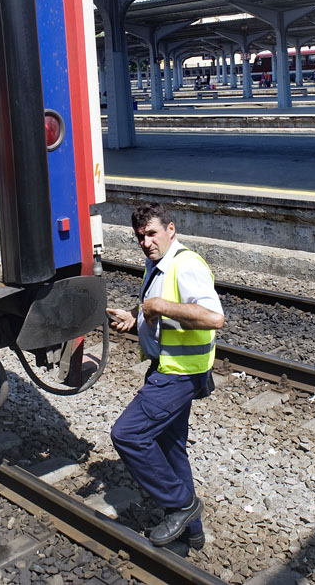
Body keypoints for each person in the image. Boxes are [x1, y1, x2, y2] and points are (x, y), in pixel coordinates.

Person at [107, 203, 225, 551]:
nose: (145, 242)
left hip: (179, 374)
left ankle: (182, 506)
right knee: (171, 450)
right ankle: (191, 533)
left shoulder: (185, 265)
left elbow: (214, 316)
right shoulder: (158, 263)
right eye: (139, 237)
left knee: (127, 435)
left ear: (170, 230)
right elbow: (158, 305)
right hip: (169, 368)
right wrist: (134, 316)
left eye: (152, 234)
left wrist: (159, 308)